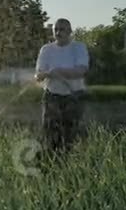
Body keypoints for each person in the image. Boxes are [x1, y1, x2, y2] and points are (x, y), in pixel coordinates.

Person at [34, 18, 90, 158]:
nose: (58, 32)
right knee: (50, 135)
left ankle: (68, 165)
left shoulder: (79, 47)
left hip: (73, 96)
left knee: (70, 135)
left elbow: (81, 71)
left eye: (62, 29)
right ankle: (50, 165)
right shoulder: (46, 50)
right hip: (51, 96)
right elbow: (38, 75)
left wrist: (60, 71)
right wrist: (48, 74)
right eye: (56, 30)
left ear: (70, 31)